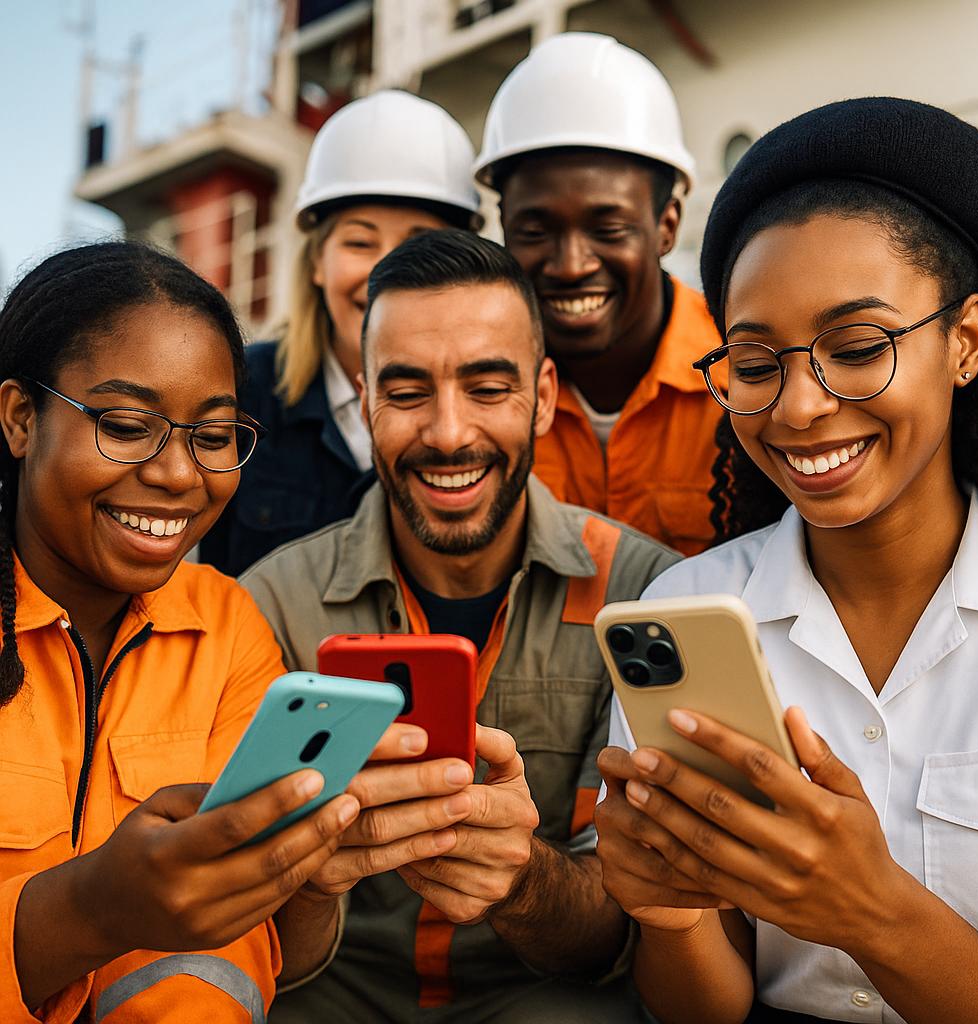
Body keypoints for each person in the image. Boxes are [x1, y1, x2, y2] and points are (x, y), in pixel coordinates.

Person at [595, 97, 978, 1023]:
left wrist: (873, 914)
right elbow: (704, 1008)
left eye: (858, 347)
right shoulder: (693, 612)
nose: (796, 407)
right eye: (754, 364)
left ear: (967, 341)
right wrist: (668, 918)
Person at [242, 229, 680, 1021]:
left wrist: (522, 879)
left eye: (486, 387)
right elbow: (256, 949)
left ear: (544, 396)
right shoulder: (269, 604)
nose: (448, 433)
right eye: (407, 392)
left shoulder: (644, 596)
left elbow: (615, 943)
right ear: (364, 399)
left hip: (545, 999)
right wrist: (305, 875)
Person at [0, 240, 378, 1022]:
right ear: (19, 418)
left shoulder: (229, 627)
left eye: (213, 437)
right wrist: (88, 912)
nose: (179, 475)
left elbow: (276, 956)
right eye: (129, 425)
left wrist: (308, 872)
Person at [201, 90, 481, 576]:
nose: (384, 272)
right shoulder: (241, 393)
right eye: (359, 241)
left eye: (420, 244)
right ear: (316, 263)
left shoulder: (489, 410)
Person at [474, 32, 722, 555]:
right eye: (535, 232)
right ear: (503, 225)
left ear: (667, 226)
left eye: (608, 229)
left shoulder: (743, 379)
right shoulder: (473, 394)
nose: (569, 266)